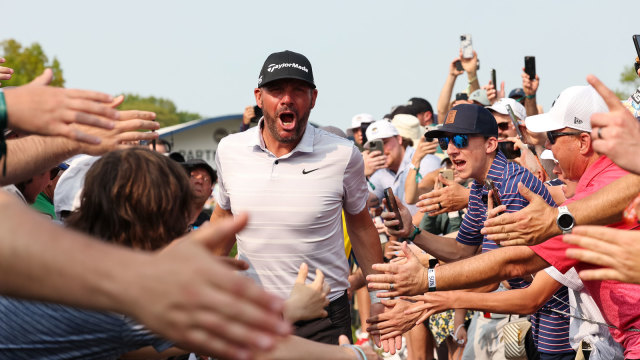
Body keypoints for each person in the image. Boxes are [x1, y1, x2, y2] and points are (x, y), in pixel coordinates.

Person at [367, 83, 640, 359]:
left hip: (561, 330)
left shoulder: (514, 185)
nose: (450, 150)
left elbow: (512, 266)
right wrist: (414, 234)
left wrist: (429, 286)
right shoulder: (480, 187)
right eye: (445, 142)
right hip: (557, 326)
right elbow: (465, 251)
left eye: (553, 137)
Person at [210, 50, 391, 349]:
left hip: (324, 318)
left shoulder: (343, 154)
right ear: (259, 97)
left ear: (314, 97)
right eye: (276, 90)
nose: (287, 99)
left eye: (298, 90)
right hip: (252, 314)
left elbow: (361, 227)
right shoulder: (230, 150)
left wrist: (378, 297)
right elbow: (222, 221)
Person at [183, 158, 216, 228]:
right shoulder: (164, 218)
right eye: (193, 176)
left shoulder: (210, 226)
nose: (200, 181)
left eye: (206, 179)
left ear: (210, 192)